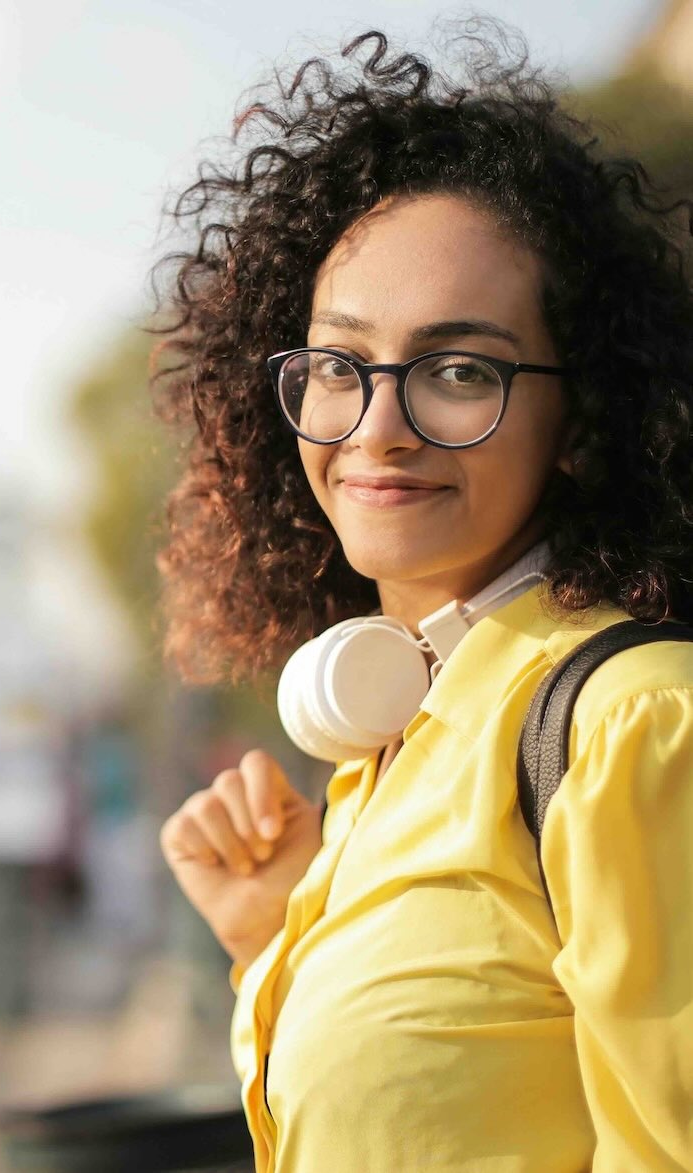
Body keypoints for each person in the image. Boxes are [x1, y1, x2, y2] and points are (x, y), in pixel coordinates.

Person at [156, 27, 693, 1172]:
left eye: (460, 372)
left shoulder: (636, 723)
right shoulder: (391, 738)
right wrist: (273, 945)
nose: (378, 428)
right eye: (341, 366)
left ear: (586, 422)